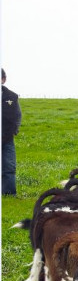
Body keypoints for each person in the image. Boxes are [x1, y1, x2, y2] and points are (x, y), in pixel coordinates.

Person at [2, 68, 22, 196]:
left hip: (6, 139)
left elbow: (17, 115)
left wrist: (14, 131)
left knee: (9, 167)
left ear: (3, 79)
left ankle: (9, 195)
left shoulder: (11, 97)